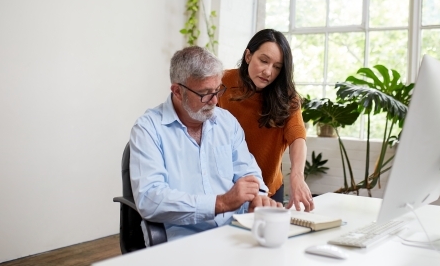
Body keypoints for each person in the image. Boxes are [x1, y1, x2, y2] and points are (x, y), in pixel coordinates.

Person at [129, 46, 281, 242]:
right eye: (205, 93)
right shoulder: (148, 129)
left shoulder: (226, 122)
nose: (215, 100)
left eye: (217, 90)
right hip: (184, 241)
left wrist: (258, 197)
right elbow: (150, 199)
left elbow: (248, 172)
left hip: (235, 231)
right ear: (177, 91)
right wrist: (220, 203)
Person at [218, 29, 314, 212]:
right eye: (263, 61)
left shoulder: (287, 98)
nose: (268, 71)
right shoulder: (222, 82)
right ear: (248, 56)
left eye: (277, 67)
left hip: (268, 191)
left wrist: (297, 176)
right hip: (227, 188)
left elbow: (297, 137)